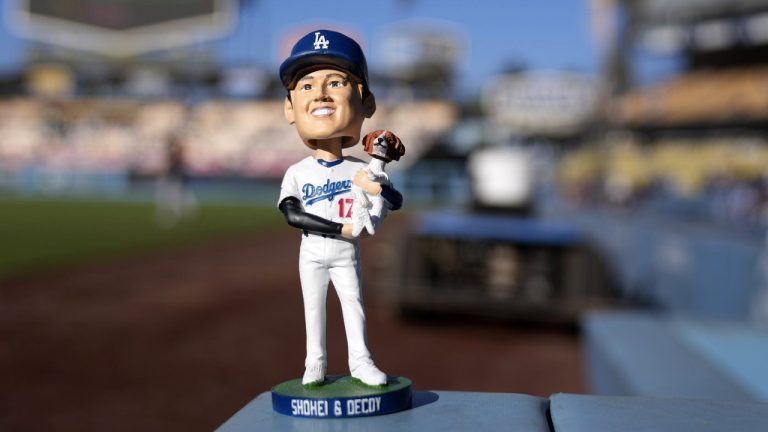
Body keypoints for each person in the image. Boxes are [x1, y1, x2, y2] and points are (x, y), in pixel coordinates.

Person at [276, 29, 403, 387]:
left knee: (354, 305)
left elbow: (396, 201)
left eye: (335, 83)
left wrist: (378, 186)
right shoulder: (297, 172)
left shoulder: (360, 169)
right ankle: (314, 363)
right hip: (315, 249)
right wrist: (341, 230)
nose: (319, 93)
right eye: (306, 86)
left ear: (366, 103)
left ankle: (361, 362)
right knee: (313, 308)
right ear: (289, 108)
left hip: (347, 253)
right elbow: (292, 215)